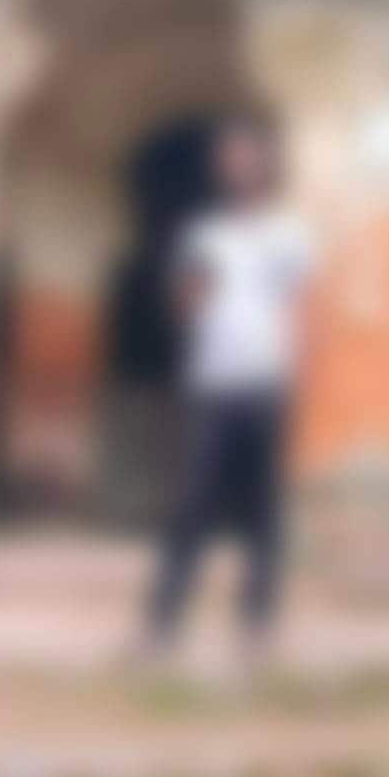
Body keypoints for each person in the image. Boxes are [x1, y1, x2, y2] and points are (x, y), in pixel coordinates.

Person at [143, 110, 314, 658]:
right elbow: (184, 309)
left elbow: (302, 309)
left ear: (265, 164)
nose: (236, 166)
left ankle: (256, 627)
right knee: (191, 502)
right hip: (211, 383)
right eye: (227, 158)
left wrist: (299, 378)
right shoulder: (204, 234)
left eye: (245, 156)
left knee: (263, 510)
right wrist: (188, 293)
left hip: (266, 381)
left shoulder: (289, 234)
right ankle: (162, 625)